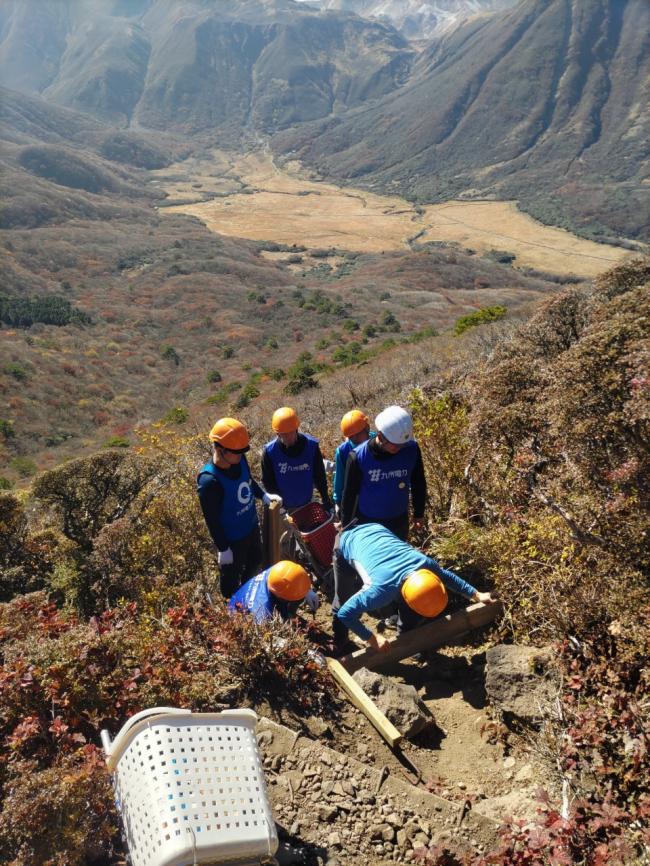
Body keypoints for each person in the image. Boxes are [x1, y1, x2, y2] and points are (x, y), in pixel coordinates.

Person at [331, 522, 496, 652]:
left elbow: (447, 577)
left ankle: (405, 640)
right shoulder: (379, 590)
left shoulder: (425, 564)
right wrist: (372, 639)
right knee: (343, 598)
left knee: (406, 609)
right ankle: (340, 642)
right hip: (346, 542)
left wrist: (477, 595)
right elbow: (345, 614)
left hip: (376, 529)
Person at [197, 417, 282, 599]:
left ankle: (248, 594)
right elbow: (211, 520)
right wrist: (223, 548)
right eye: (236, 452)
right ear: (220, 449)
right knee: (230, 584)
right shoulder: (209, 481)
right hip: (232, 541)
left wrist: (263, 495)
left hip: (251, 528)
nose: (241, 455)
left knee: (255, 561)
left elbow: (248, 481)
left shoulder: (239, 459)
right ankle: (234, 609)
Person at [340, 405, 426, 541]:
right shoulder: (358, 457)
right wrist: (346, 527)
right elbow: (349, 494)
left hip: (399, 519)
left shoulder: (411, 449)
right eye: (395, 444)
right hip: (369, 522)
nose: (399, 448)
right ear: (380, 436)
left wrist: (419, 513)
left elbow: (418, 482)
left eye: (402, 444)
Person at [262, 406, 332, 512]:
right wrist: (278, 506)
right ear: (277, 433)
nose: (288, 437)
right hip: (284, 507)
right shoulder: (270, 452)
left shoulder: (311, 446)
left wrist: (325, 499)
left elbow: (319, 475)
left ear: (296, 429)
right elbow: (268, 482)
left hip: (308, 502)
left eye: (291, 432)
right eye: (284, 434)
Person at [228, 560, 320, 623]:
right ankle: (287, 616)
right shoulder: (264, 614)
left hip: (243, 597)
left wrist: (307, 591)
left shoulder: (277, 571)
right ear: (283, 597)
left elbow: (291, 577)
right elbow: (265, 641)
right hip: (239, 617)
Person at [332, 409, 374, 512]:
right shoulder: (342, 451)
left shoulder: (377, 440)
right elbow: (340, 478)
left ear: (367, 428)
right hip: (356, 498)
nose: (356, 438)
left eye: (358, 434)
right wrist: (338, 501)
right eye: (351, 436)